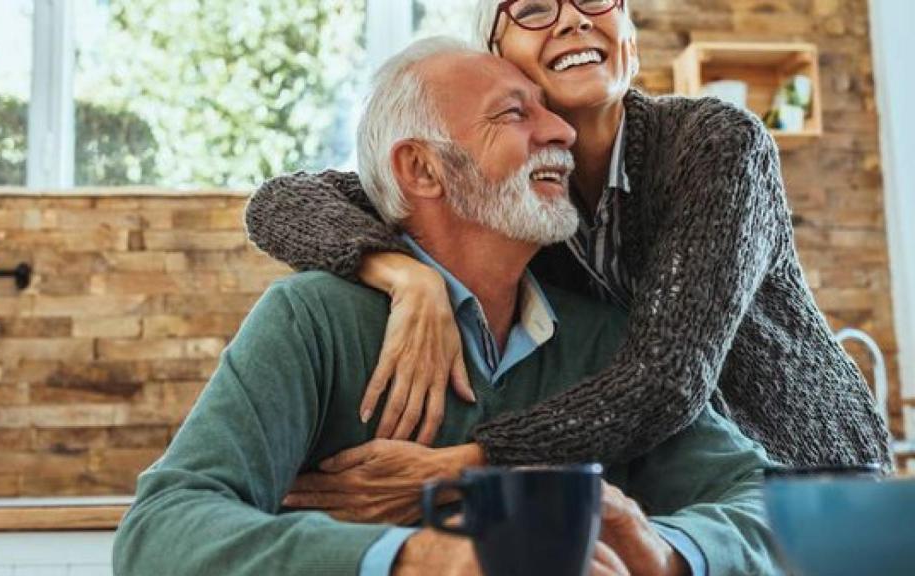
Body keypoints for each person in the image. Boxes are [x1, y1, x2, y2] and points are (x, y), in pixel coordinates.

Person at [113, 39, 779, 576]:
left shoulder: (603, 340)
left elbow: (770, 506)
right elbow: (159, 532)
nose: (561, 132)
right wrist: (414, 557)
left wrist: (663, 549)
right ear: (423, 171)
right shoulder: (311, 321)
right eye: (516, 114)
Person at [245, 0, 890, 470]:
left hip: (812, 474)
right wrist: (401, 272)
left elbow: (666, 380)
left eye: (595, 0)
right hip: (680, 488)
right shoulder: (511, 194)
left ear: (629, 41)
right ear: (497, 61)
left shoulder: (718, 145)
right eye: (532, 8)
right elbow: (281, 201)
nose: (574, 18)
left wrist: (466, 465)